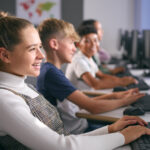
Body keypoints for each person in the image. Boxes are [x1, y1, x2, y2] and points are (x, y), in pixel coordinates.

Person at [0, 16, 149, 150]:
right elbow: (61, 146)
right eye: (32, 49)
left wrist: (110, 129)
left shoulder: (25, 86)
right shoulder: (4, 99)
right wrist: (123, 137)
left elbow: (62, 139)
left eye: (40, 47)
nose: (41, 55)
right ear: (5, 55)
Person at [37, 18, 144, 135]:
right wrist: (126, 101)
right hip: (78, 133)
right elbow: (93, 107)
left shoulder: (52, 70)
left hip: (81, 126)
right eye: (71, 42)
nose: (74, 48)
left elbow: (81, 103)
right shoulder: (51, 74)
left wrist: (115, 96)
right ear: (54, 44)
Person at [66, 25, 137, 90]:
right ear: (78, 44)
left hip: (87, 95)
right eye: (87, 41)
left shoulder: (88, 57)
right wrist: (122, 83)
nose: (93, 44)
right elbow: (96, 85)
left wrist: (121, 80)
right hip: (76, 102)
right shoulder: (79, 60)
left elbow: (102, 75)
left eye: (95, 40)